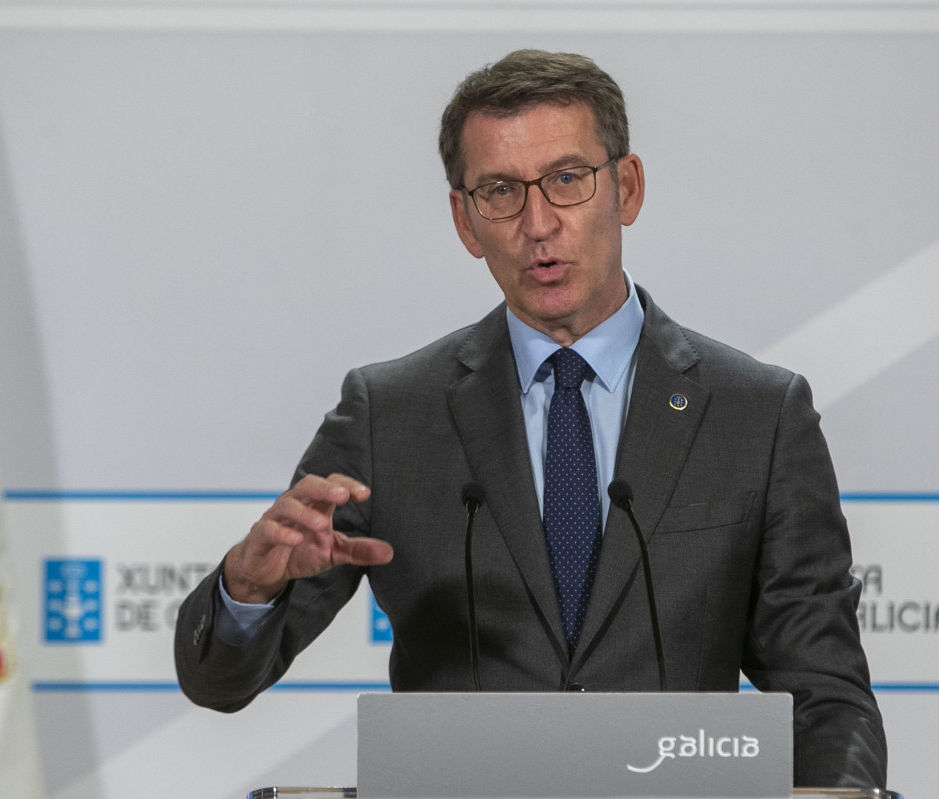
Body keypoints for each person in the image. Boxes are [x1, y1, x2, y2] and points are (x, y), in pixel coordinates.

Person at [174, 49, 888, 789]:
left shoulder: (756, 415)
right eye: (499, 192)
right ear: (464, 219)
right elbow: (220, 681)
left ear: (627, 186)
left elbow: (824, 695)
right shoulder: (389, 415)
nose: (537, 223)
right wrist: (249, 590)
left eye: (567, 180)